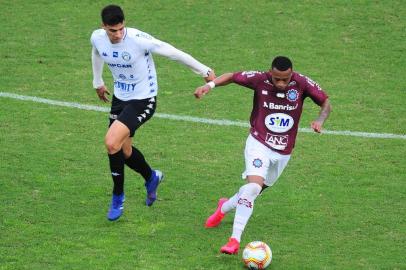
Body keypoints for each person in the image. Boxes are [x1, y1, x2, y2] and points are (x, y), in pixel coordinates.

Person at [194, 56, 331, 254]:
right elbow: (232, 76)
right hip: (259, 143)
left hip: (284, 151)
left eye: (286, 79)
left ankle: (224, 206)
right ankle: (234, 240)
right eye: (277, 79)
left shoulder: (302, 83)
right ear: (271, 73)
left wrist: (320, 120)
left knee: (253, 191)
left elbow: (326, 102)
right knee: (252, 188)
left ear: (291, 74)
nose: (282, 84)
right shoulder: (259, 79)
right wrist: (211, 85)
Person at [91, 5, 215, 221]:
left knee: (111, 143)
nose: (118, 34)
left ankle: (118, 196)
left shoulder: (139, 39)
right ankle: (151, 176)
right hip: (120, 98)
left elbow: (174, 53)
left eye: (121, 29)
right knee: (124, 150)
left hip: (143, 99)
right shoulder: (97, 38)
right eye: (113, 31)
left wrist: (204, 70)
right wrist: (98, 81)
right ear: (104, 27)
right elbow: (96, 53)